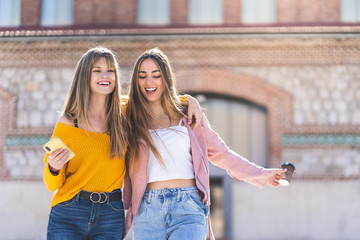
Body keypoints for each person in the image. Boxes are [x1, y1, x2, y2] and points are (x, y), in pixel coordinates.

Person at [123, 48, 287, 240]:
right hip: (147, 210)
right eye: (142, 76)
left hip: (187, 208)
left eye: (156, 75)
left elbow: (223, 155)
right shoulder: (128, 118)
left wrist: (262, 174)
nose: (149, 82)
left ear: (165, 79)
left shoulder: (189, 117)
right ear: (136, 81)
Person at [43, 46, 202, 240]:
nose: (105, 75)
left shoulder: (125, 114)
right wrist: (53, 168)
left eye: (110, 70)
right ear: (85, 76)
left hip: (110, 214)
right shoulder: (68, 122)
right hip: (70, 211)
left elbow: (159, 99)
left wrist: (190, 101)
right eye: (97, 70)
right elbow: (52, 184)